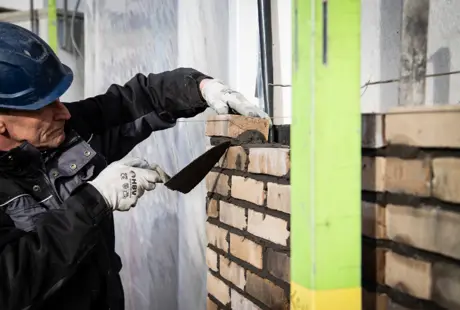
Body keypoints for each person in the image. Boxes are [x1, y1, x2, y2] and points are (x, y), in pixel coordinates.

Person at [0, 22, 269, 310]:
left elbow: (137, 100)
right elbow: (9, 284)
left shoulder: (69, 131)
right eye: (45, 106)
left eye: (59, 99)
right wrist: (96, 198)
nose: (63, 112)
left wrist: (202, 87)